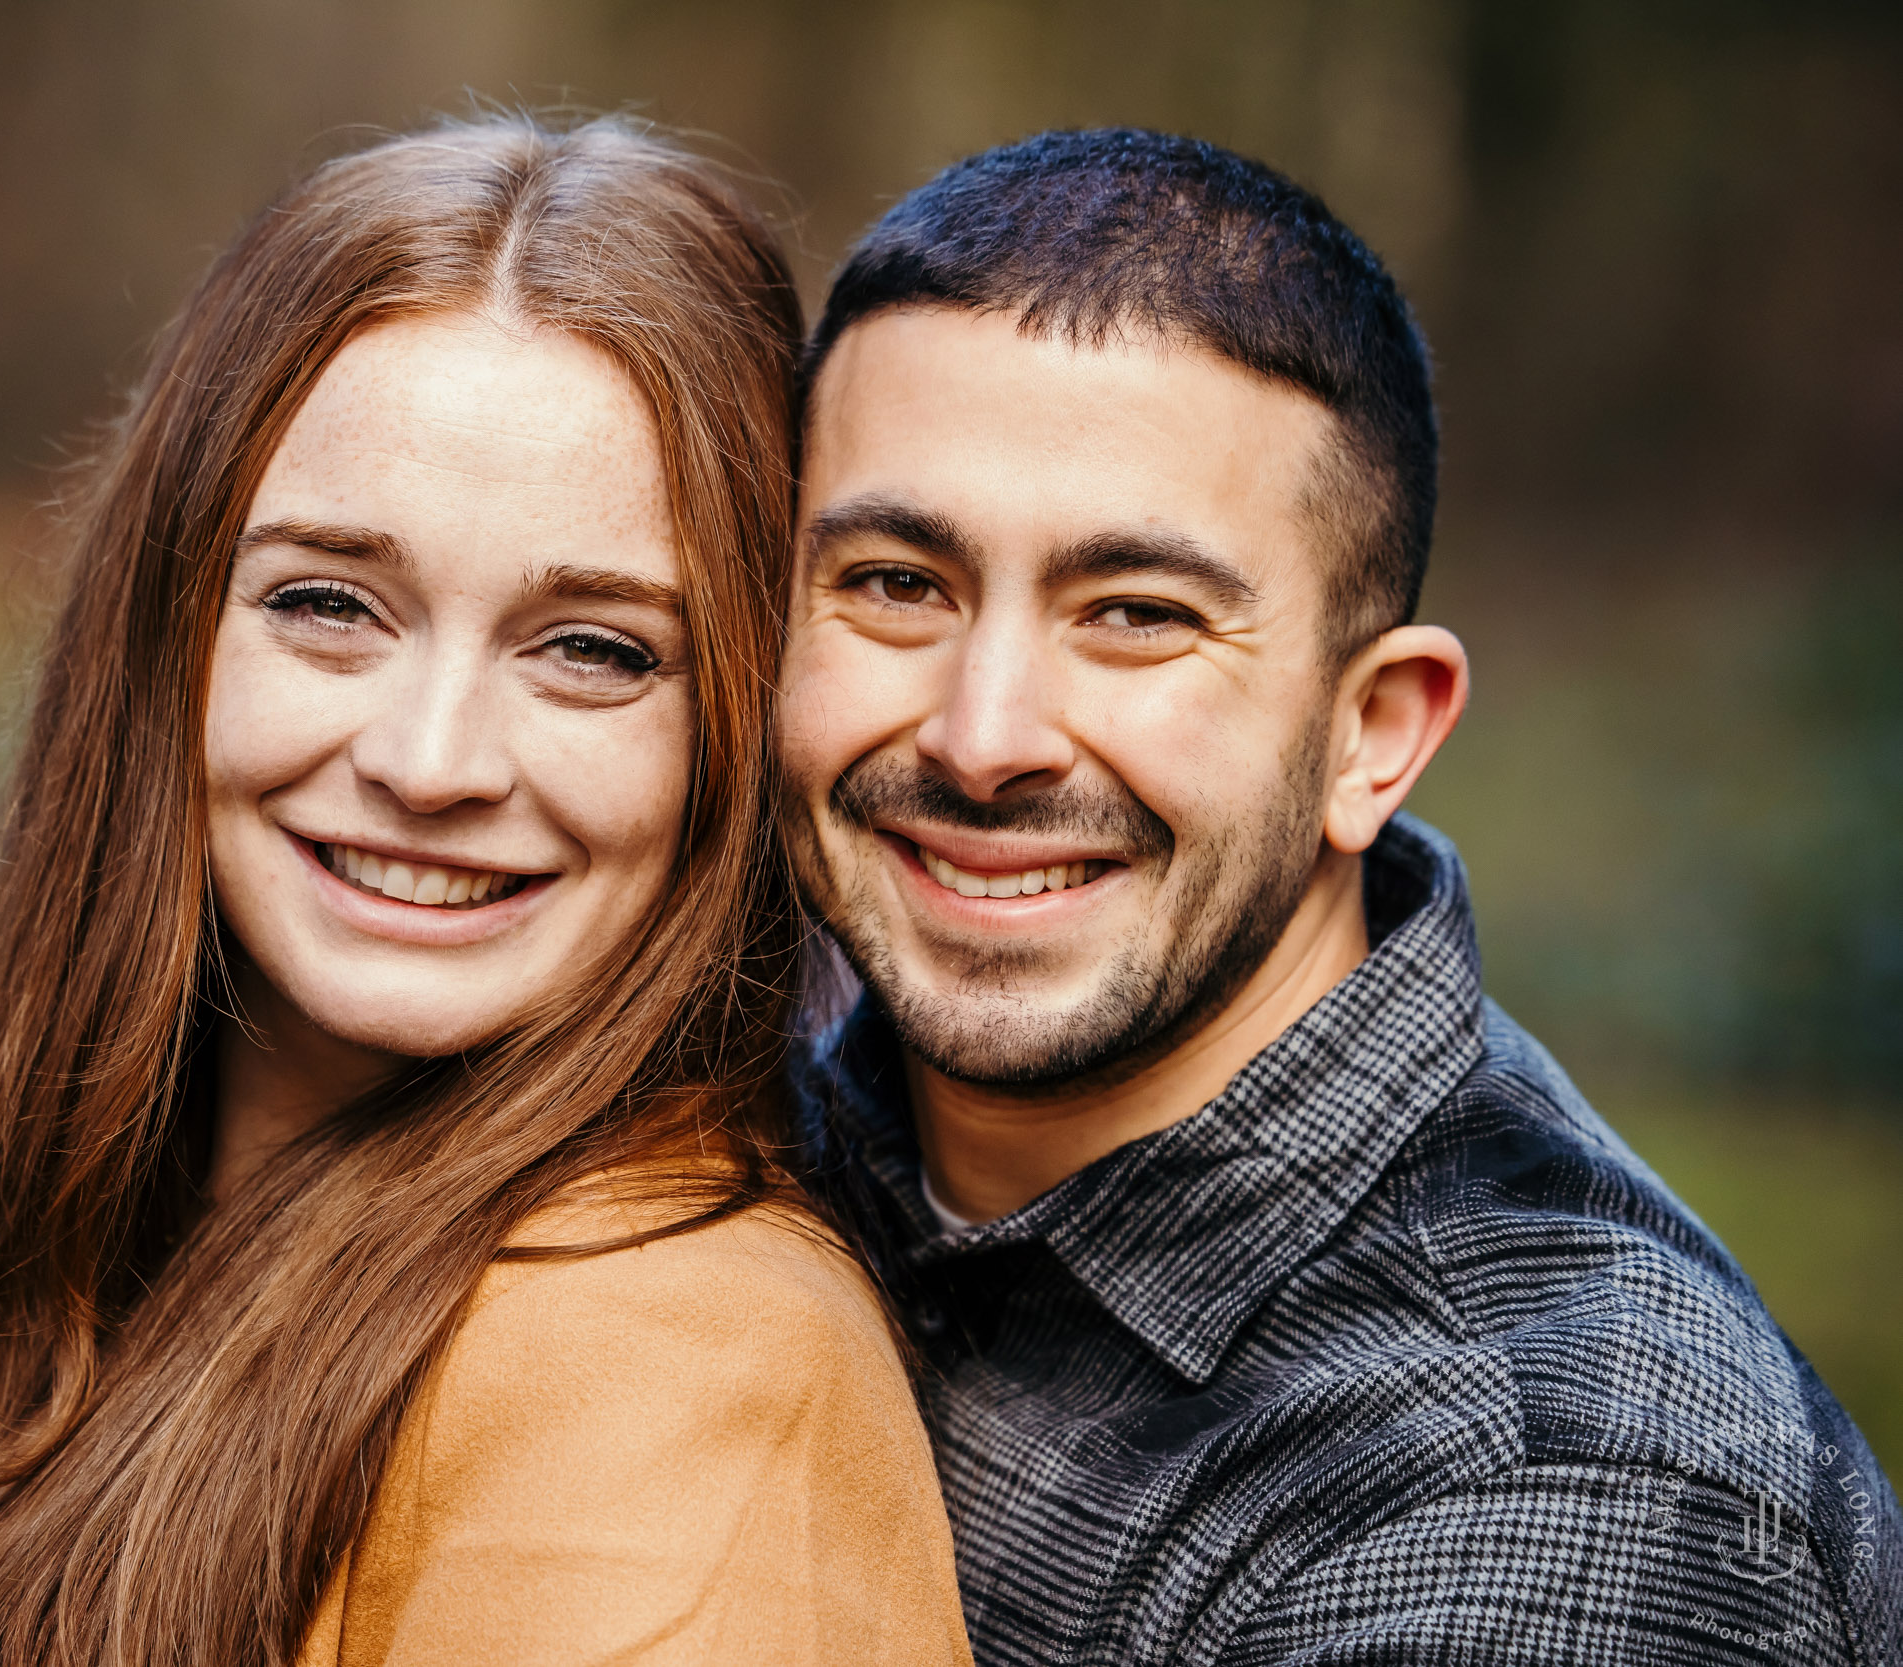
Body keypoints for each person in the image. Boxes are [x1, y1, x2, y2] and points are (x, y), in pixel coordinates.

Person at [0, 116, 970, 1667]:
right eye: (327, 604)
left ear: (733, 730)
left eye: (595, 649)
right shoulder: (16, 1249)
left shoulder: (678, 1376)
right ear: (164, 630)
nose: (432, 762)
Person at [779, 127, 1901, 1664]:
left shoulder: (1555, 1484)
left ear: (1371, 734)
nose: (984, 740)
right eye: (898, 583)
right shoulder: (746, 1131)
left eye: (1138, 616)